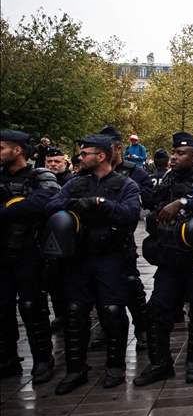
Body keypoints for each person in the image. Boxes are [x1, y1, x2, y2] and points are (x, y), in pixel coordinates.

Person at [45, 133, 141, 393]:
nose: (79, 157)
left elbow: (131, 215)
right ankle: (76, 369)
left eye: (85, 153)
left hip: (110, 255)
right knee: (75, 311)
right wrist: (79, 204)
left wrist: (101, 204)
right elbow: (51, 206)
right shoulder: (76, 183)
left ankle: (115, 366)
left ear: (101, 156)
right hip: (79, 257)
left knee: (112, 310)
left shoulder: (125, 185)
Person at [134, 132, 193, 386]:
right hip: (170, 257)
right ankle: (160, 363)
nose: (174, 157)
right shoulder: (165, 179)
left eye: (180, 153)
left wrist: (185, 202)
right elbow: (152, 205)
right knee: (157, 310)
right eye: (173, 153)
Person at [1, 130, 60, 384]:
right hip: (2, 252)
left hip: (30, 251)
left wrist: (7, 208)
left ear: (16, 150)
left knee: (32, 306)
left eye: (1, 147)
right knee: (2, 308)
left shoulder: (40, 176)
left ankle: (43, 359)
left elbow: (43, 204)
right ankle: (8, 359)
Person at [89, 126, 153, 352]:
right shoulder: (89, 173)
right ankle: (108, 329)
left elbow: (149, 198)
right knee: (99, 289)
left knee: (131, 284)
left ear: (117, 149)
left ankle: (143, 329)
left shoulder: (133, 171)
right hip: (94, 239)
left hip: (121, 239)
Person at [42, 147, 73, 331]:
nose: (53, 165)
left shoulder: (72, 181)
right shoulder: (40, 180)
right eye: (49, 162)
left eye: (57, 162)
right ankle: (60, 313)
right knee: (52, 281)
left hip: (69, 237)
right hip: (49, 237)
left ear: (65, 163)